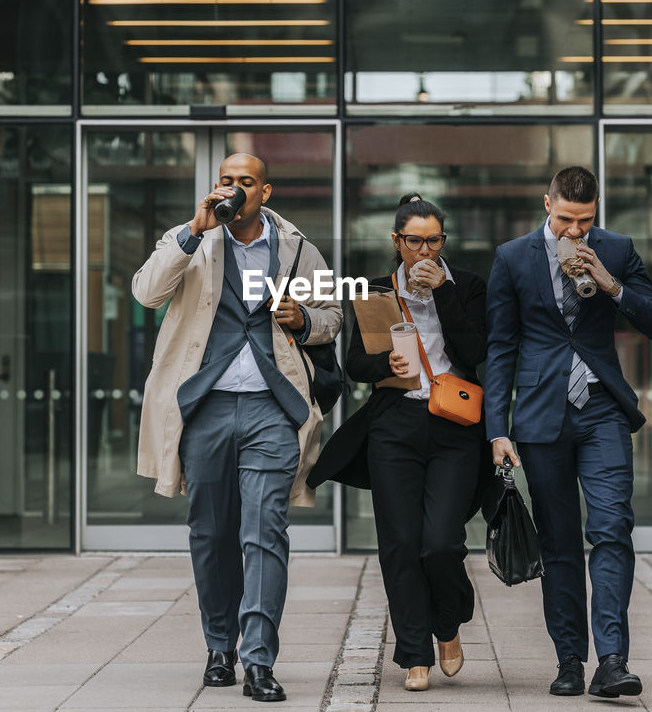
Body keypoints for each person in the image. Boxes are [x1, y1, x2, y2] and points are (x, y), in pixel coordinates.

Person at [132, 153, 343, 703]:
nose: (234, 189)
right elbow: (146, 293)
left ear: (264, 192)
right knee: (211, 533)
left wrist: (305, 320)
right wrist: (191, 232)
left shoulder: (300, 249)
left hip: (274, 410)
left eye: (245, 182)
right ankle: (218, 647)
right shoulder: (190, 239)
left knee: (265, 531)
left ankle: (258, 660)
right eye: (227, 180)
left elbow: (332, 316)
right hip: (205, 407)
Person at [483, 166, 652, 700]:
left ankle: (612, 660)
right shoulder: (513, 257)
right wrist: (498, 428)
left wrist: (612, 286)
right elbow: (500, 349)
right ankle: (569, 658)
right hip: (541, 417)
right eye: (566, 219)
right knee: (559, 543)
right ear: (548, 204)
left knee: (612, 529)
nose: (575, 231)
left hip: (602, 411)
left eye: (585, 221)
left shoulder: (617, 248)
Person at [307, 193, 490, 692]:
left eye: (434, 241)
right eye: (415, 242)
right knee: (401, 543)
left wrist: (443, 295)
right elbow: (355, 365)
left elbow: (476, 350)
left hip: (455, 427)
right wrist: (386, 365)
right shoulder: (373, 290)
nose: (425, 251)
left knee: (441, 542)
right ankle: (414, 652)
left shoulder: (469, 286)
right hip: (395, 426)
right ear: (397, 241)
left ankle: (448, 624)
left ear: (443, 242)